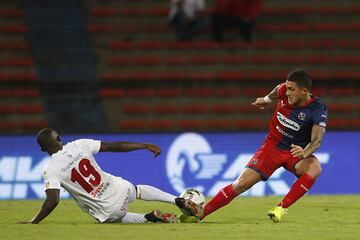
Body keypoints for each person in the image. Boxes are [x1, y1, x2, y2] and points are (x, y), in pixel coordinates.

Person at [187, 68, 328, 222]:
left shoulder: (317, 109)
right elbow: (278, 89)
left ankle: (280, 208)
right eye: (287, 88)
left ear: (304, 91)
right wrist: (266, 99)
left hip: (295, 151)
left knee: (314, 167)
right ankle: (199, 215)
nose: (287, 92)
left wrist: (305, 153)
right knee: (240, 185)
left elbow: (317, 140)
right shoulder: (283, 91)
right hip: (272, 147)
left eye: (291, 89)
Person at [18, 128, 201, 224]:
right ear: (59, 139)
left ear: (42, 148)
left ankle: (150, 217)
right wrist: (144, 145)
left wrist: (35, 221)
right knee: (137, 190)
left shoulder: (50, 169)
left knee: (114, 219)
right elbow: (115, 146)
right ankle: (177, 200)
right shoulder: (80, 144)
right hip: (121, 188)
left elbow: (53, 201)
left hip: (109, 209)